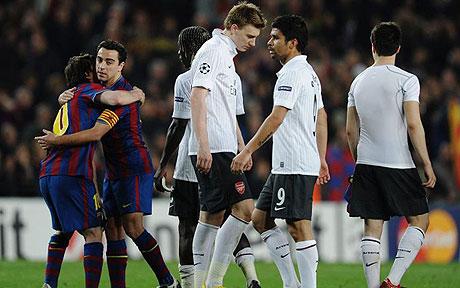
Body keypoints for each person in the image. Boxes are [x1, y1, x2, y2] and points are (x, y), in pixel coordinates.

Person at [37, 40, 180, 288]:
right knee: (112, 229)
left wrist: (58, 140)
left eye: (109, 62)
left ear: (121, 66)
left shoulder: (122, 99)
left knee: (134, 228)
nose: (102, 66)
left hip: (133, 167)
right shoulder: (95, 92)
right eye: (99, 60)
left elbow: (95, 133)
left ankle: (168, 282)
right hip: (111, 172)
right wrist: (65, 97)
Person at [154, 26, 260, 288]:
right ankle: (251, 277)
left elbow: (178, 125)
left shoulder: (187, 78)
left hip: (192, 164)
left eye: (182, 47)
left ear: (191, 49)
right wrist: (241, 147)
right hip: (222, 153)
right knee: (229, 216)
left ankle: (196, 284)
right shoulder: (231, 73)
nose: (180, 53)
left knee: (188, 226)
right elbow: (234, 118)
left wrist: (162, 165)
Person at [231, 15, 329, 288]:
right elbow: (321, 116)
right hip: (289, 163)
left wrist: (247, 150)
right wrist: (320, 157)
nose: (269, 42)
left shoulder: (292, 73)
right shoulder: (309, 73)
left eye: (275, 38)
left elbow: (276, 118)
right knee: (260, 218)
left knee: (299, 227)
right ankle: (291, 283)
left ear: (293, 43)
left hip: (294, 161)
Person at [38, 53, 143, 288]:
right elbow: (115, 98)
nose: (100, 69)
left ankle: (49, 283)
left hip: (48, 174)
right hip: (71, 173)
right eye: (96, 66)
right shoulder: (88, 91)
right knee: (94, 232)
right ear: (87, 74)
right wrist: (136, 94)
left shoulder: (69, 100)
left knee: (63, 230)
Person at [345, 22, 436, 288]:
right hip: (398, 162)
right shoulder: (407, 80)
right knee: (420, 220)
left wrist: (359, 162)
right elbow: (413, 124)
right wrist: (427, 163)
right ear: (398, 47)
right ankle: (392, 282)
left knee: (372, 228)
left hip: (367, 163)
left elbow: (351, 132)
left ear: (372, 47)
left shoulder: (357, 81)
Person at [188, 2, 266, 287]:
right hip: (214, 147)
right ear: (232, 28)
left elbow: (228, 113)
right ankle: (214, 280)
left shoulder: (229, 62)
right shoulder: (214, 51)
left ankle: (199, 283)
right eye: (249, 36)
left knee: (211, 215)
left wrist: (243, 147)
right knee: (244, 210)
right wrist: (204, 145)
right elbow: (198, 96)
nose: (253, 43)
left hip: (226, 147)